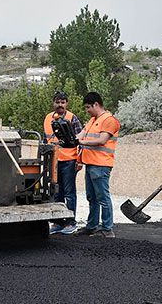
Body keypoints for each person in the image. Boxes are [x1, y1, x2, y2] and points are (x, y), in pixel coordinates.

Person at [74, 92, 120, 238]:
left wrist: (82, 142)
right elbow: (80, 135)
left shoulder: (109, 120)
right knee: (91, 197)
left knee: (102, 197)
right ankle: (92, 226)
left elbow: (102, 140)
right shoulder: (93, 120)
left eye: (88, 107)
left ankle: (107, 229)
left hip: (101, 164)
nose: (87, 110)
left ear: (96, 104)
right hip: (90, 163)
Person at [44, 91, 83, 234]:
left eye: (63, 102)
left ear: (66, 103)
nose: (60, 105)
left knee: (69, 193)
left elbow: (80, 142)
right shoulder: (48, 118)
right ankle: (58, 222)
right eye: (58, 102)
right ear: (53, 103)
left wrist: (79, 161)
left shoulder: (72, 118)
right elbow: (45, 140)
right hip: (53, 162)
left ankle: (71, 221)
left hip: (69, 161)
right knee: (56, 193)